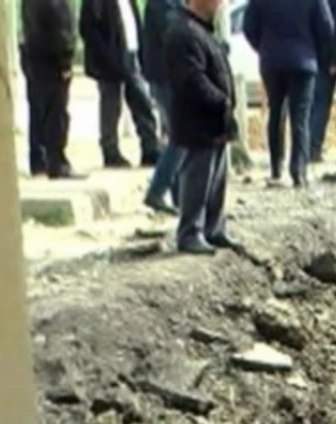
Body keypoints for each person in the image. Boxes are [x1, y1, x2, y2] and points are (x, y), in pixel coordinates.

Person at [166, 0, 238, 254]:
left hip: (215, 121)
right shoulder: (183, 31)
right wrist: (219, 101)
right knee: (198, 176)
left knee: (217, 177)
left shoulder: (203, 29)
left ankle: (214, 228)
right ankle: (190, 232)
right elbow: (192, 79)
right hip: (198, 120)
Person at [244, 0, 336, 186]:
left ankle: (276, 167)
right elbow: (327, 27)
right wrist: (313, 49)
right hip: (304, 60)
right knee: (300, 117)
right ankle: (298, 170)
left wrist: (263, 47)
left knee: (276, 113)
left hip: (272, 60)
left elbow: (249, 27)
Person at [80, 0, 163, 167]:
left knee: (142, 102)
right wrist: (106, 57)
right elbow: (89, 28)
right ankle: (110, 151)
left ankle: (150, 147)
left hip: (131, 54)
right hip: (110, 59)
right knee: (111, 106)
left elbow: (134, 23)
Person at [21, 0, 83, 178]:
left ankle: (39, 160)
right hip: (51, 63)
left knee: (39, 112)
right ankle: (56, 162)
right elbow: (60, 30)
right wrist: (66, 60)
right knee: (56, 114)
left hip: (35, 60)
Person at [141, 0, 185, 212]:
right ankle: (157, 191)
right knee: (181, 137)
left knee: (178, 135)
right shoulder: (163, 4)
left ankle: (178, 196)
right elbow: (173, 33)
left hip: (166, 75)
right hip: (166, 76)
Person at [309, 0, 336, 164]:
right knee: (321, 104)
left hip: (312, 56)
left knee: (313, 104)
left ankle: (310, 146)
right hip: (326, 60)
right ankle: (314, 147)